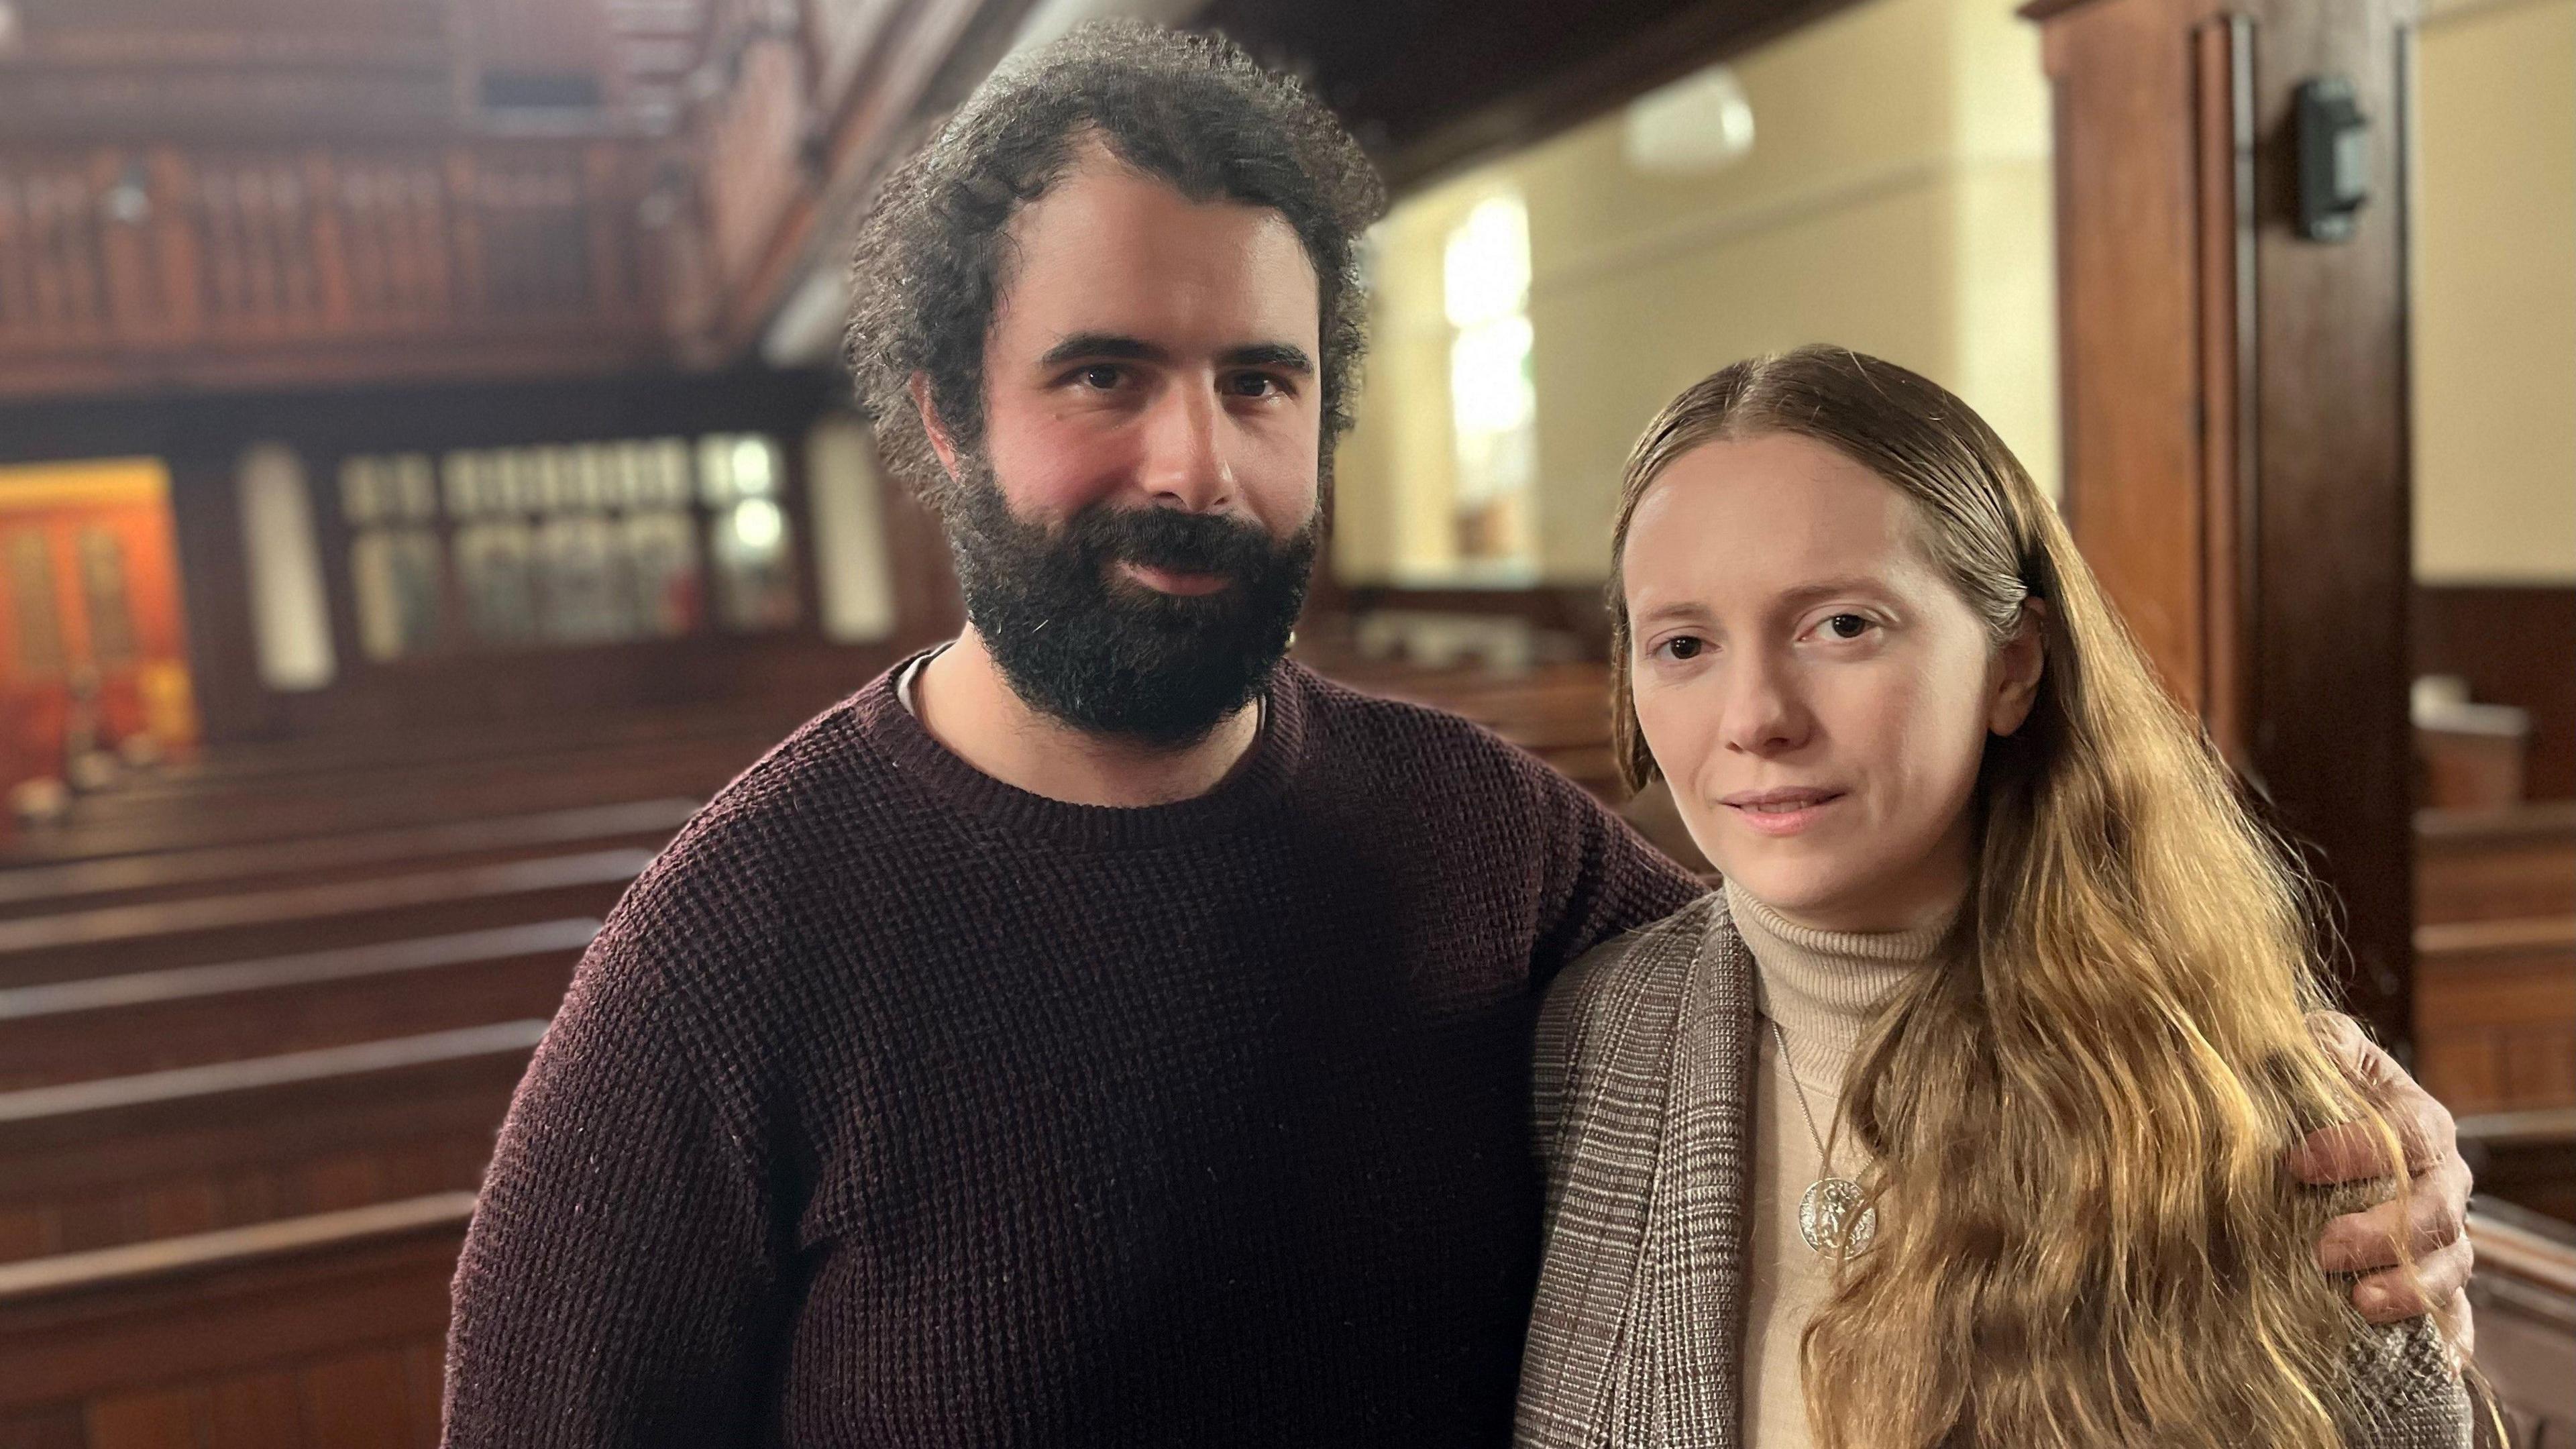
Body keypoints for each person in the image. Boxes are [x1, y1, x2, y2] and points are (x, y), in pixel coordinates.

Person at [442, 26, 2473, 1448]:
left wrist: (2323, 1125)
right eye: (1101, 374)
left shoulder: (1475, 840)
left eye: (1259, 379)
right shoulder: (730, 956)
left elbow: (1876, 962)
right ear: (948, 418)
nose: (1197, 459)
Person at [1519, 347, 2485, 1449]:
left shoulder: (2248, 1108)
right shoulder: (1581, 1046)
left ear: (2014, 664)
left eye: (1841, 626)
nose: (1756, 717)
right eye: (1683, 644)